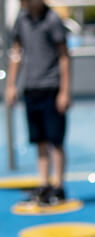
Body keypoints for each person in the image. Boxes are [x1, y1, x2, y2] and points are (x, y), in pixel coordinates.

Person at [5, 0, 71, 206]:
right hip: (31, 87)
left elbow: (64, 56)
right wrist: (11, 84)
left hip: (51, 86)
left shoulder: (52, 20)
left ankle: (58, 185)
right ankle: (43, 183)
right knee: (39, 139)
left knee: (55, 139)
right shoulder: (22, 19)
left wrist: (65, 91)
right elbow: (16, 52)